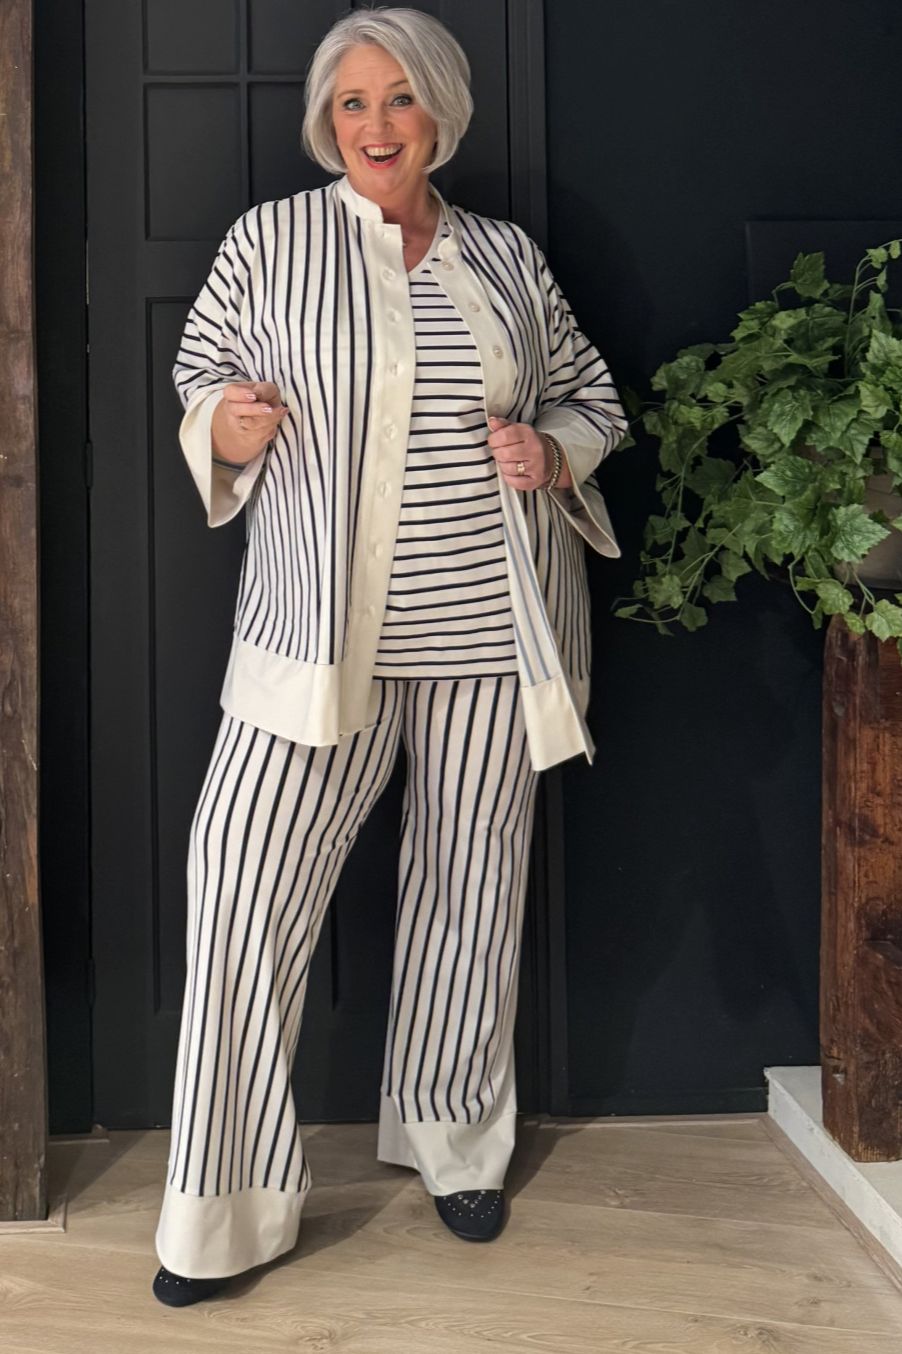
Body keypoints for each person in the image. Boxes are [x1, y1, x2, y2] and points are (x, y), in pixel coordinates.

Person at [151, 4, 627, 1308]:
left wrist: (554, 449)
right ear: (326, 118)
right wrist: (228, 426)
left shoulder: (505, 257)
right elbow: (199, 374)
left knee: (472, 888)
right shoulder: (271, 241)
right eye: (351, 101)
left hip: (494, 634)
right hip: (318, 642)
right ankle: (224, 1208)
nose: (374, 124)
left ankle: (454, 1141)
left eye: (399, 98)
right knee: (238, 889)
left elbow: (589, 393)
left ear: (441, 115)